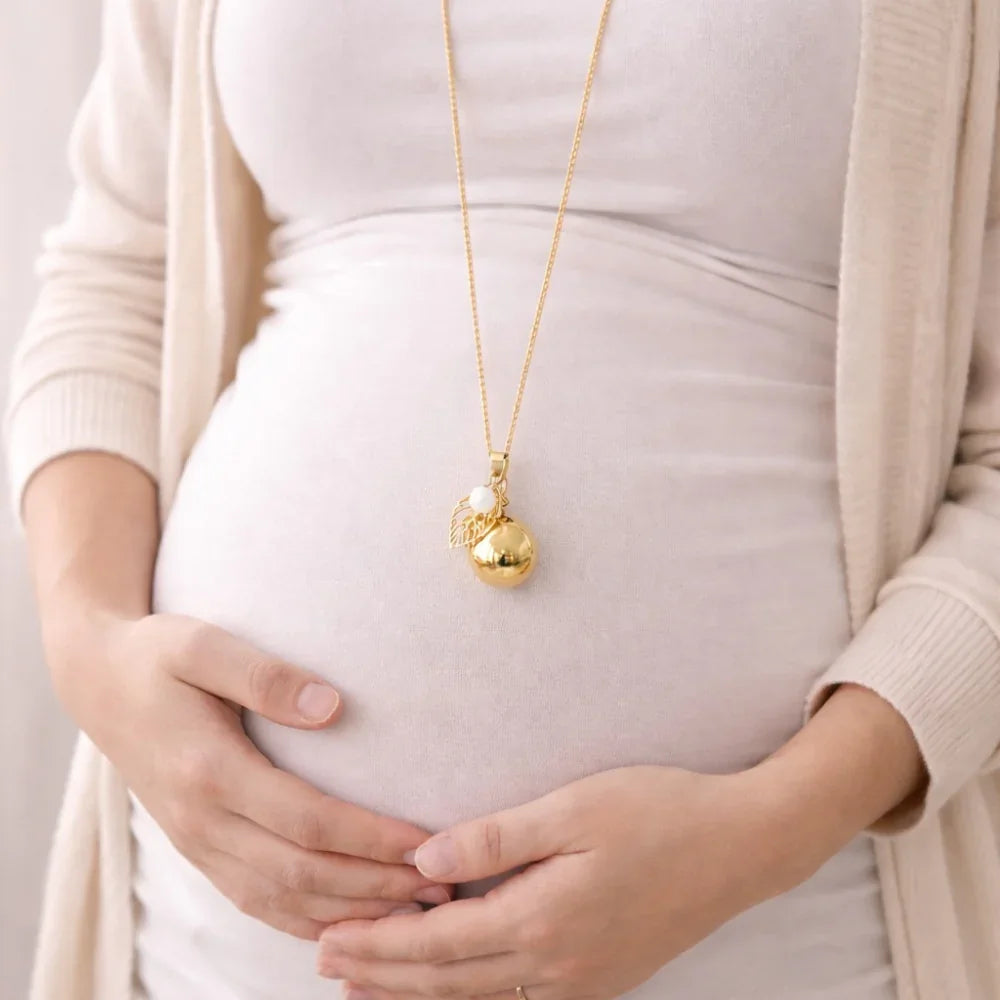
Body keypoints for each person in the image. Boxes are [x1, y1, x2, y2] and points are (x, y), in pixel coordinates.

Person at [5, 1, 1000, 999]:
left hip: (772, 930)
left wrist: (784, 821)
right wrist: (91, 647)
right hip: (224, 944)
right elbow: (119, 276)